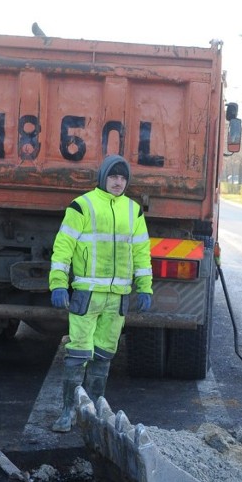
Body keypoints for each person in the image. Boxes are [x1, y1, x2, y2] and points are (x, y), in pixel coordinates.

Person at [48, 154, 152, 433]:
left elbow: (142, 252)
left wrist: (145, 287)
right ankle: (68, 412)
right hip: (87, 294)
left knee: (104, 354)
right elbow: (63, 247)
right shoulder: (82, 206)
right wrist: (58, 283)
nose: (118, 182)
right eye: (113, 177)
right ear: (103, 177)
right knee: (78, 354)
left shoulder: (134, 211)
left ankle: (93, 412)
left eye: (122, 178)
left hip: (117, 297)